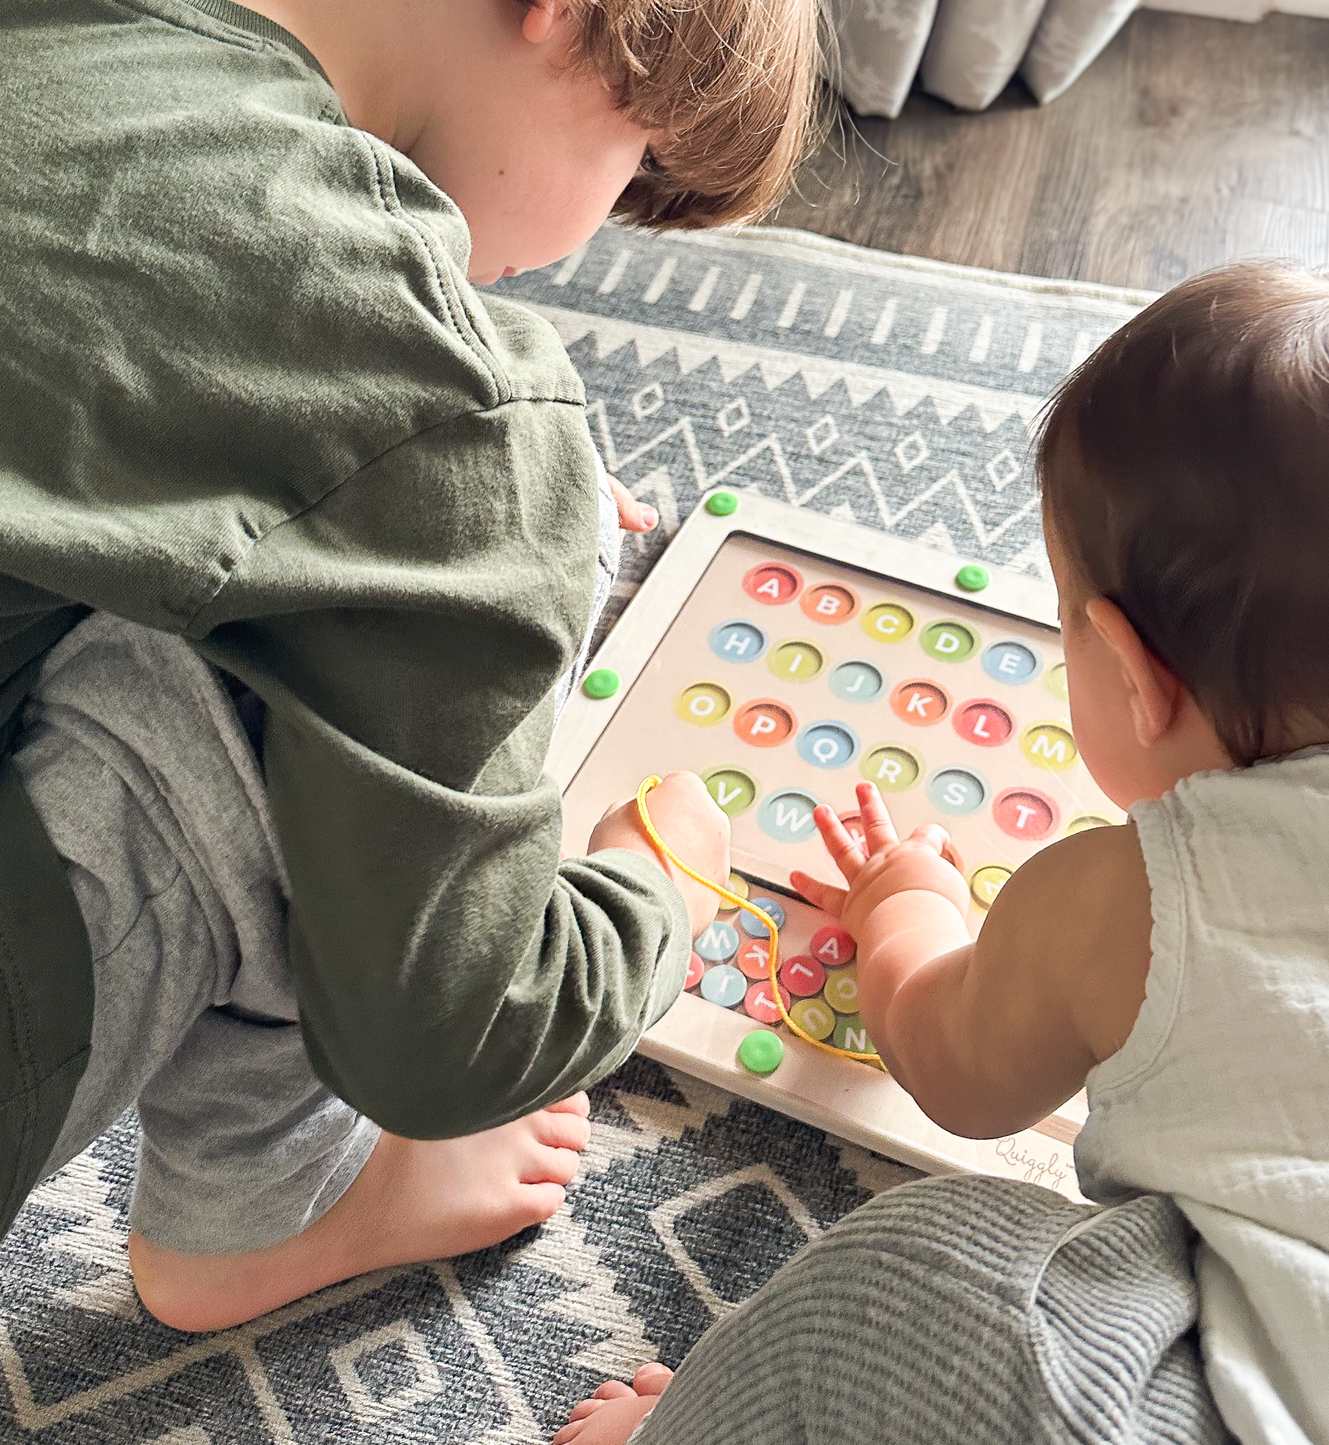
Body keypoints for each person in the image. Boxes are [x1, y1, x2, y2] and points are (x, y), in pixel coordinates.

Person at [0, 0, 826, 1331]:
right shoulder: (447, 394)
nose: (600, 226)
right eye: (641, 172)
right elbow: (453, 1030)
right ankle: (264, 1214)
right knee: (339, 671)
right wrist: (658, 896)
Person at [554, 261, 1329, 1445]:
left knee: (934, 1283)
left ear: (1131, 676)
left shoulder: (1130, 900)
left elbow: (954, 1063)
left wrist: (904, 904)